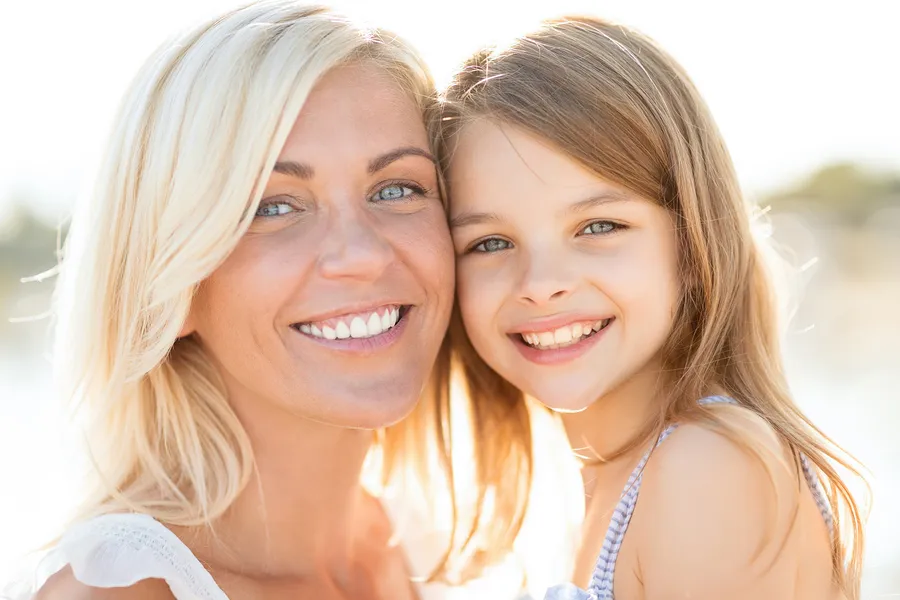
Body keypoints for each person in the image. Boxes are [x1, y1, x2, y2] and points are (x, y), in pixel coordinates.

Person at [6, 2, 533, 598]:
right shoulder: (122, 591)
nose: (361, 254)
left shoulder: (443, 553)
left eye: (396, 188)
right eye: (273, 206)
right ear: (171, 289)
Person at [436, 15, 867, 600]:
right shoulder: (586, 488)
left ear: (692, 242)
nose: (541, 284)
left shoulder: (706, 470)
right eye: (489, 243)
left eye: (598, 225)